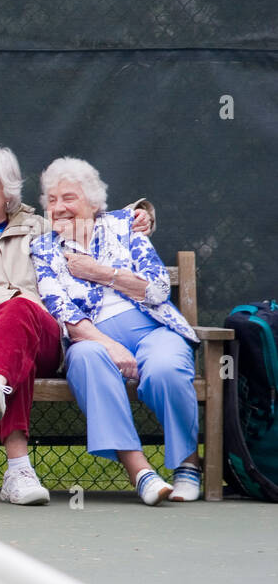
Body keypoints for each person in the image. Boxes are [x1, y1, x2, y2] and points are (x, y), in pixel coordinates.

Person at [0, 147, 154, 505]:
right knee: (15, 333)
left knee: (20, 316)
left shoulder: (43, 229)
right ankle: (17, 467)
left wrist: (139, 216)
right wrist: (8, 301)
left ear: (8, 192)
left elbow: (93, 225)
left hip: (43, 338)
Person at [30, 157, 201, 505]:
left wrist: (98, 272)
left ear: (94, 204)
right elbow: (63, 312)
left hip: (153, 329)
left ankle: (188, 465)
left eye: (69, 198)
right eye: (51, 200)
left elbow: (156, 289)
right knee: (88, 360)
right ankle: (141, 472)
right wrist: (111, 346)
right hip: (91, 338)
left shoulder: (125, 227)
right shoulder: (43, 249)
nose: (59, 208)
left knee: (166, 368)